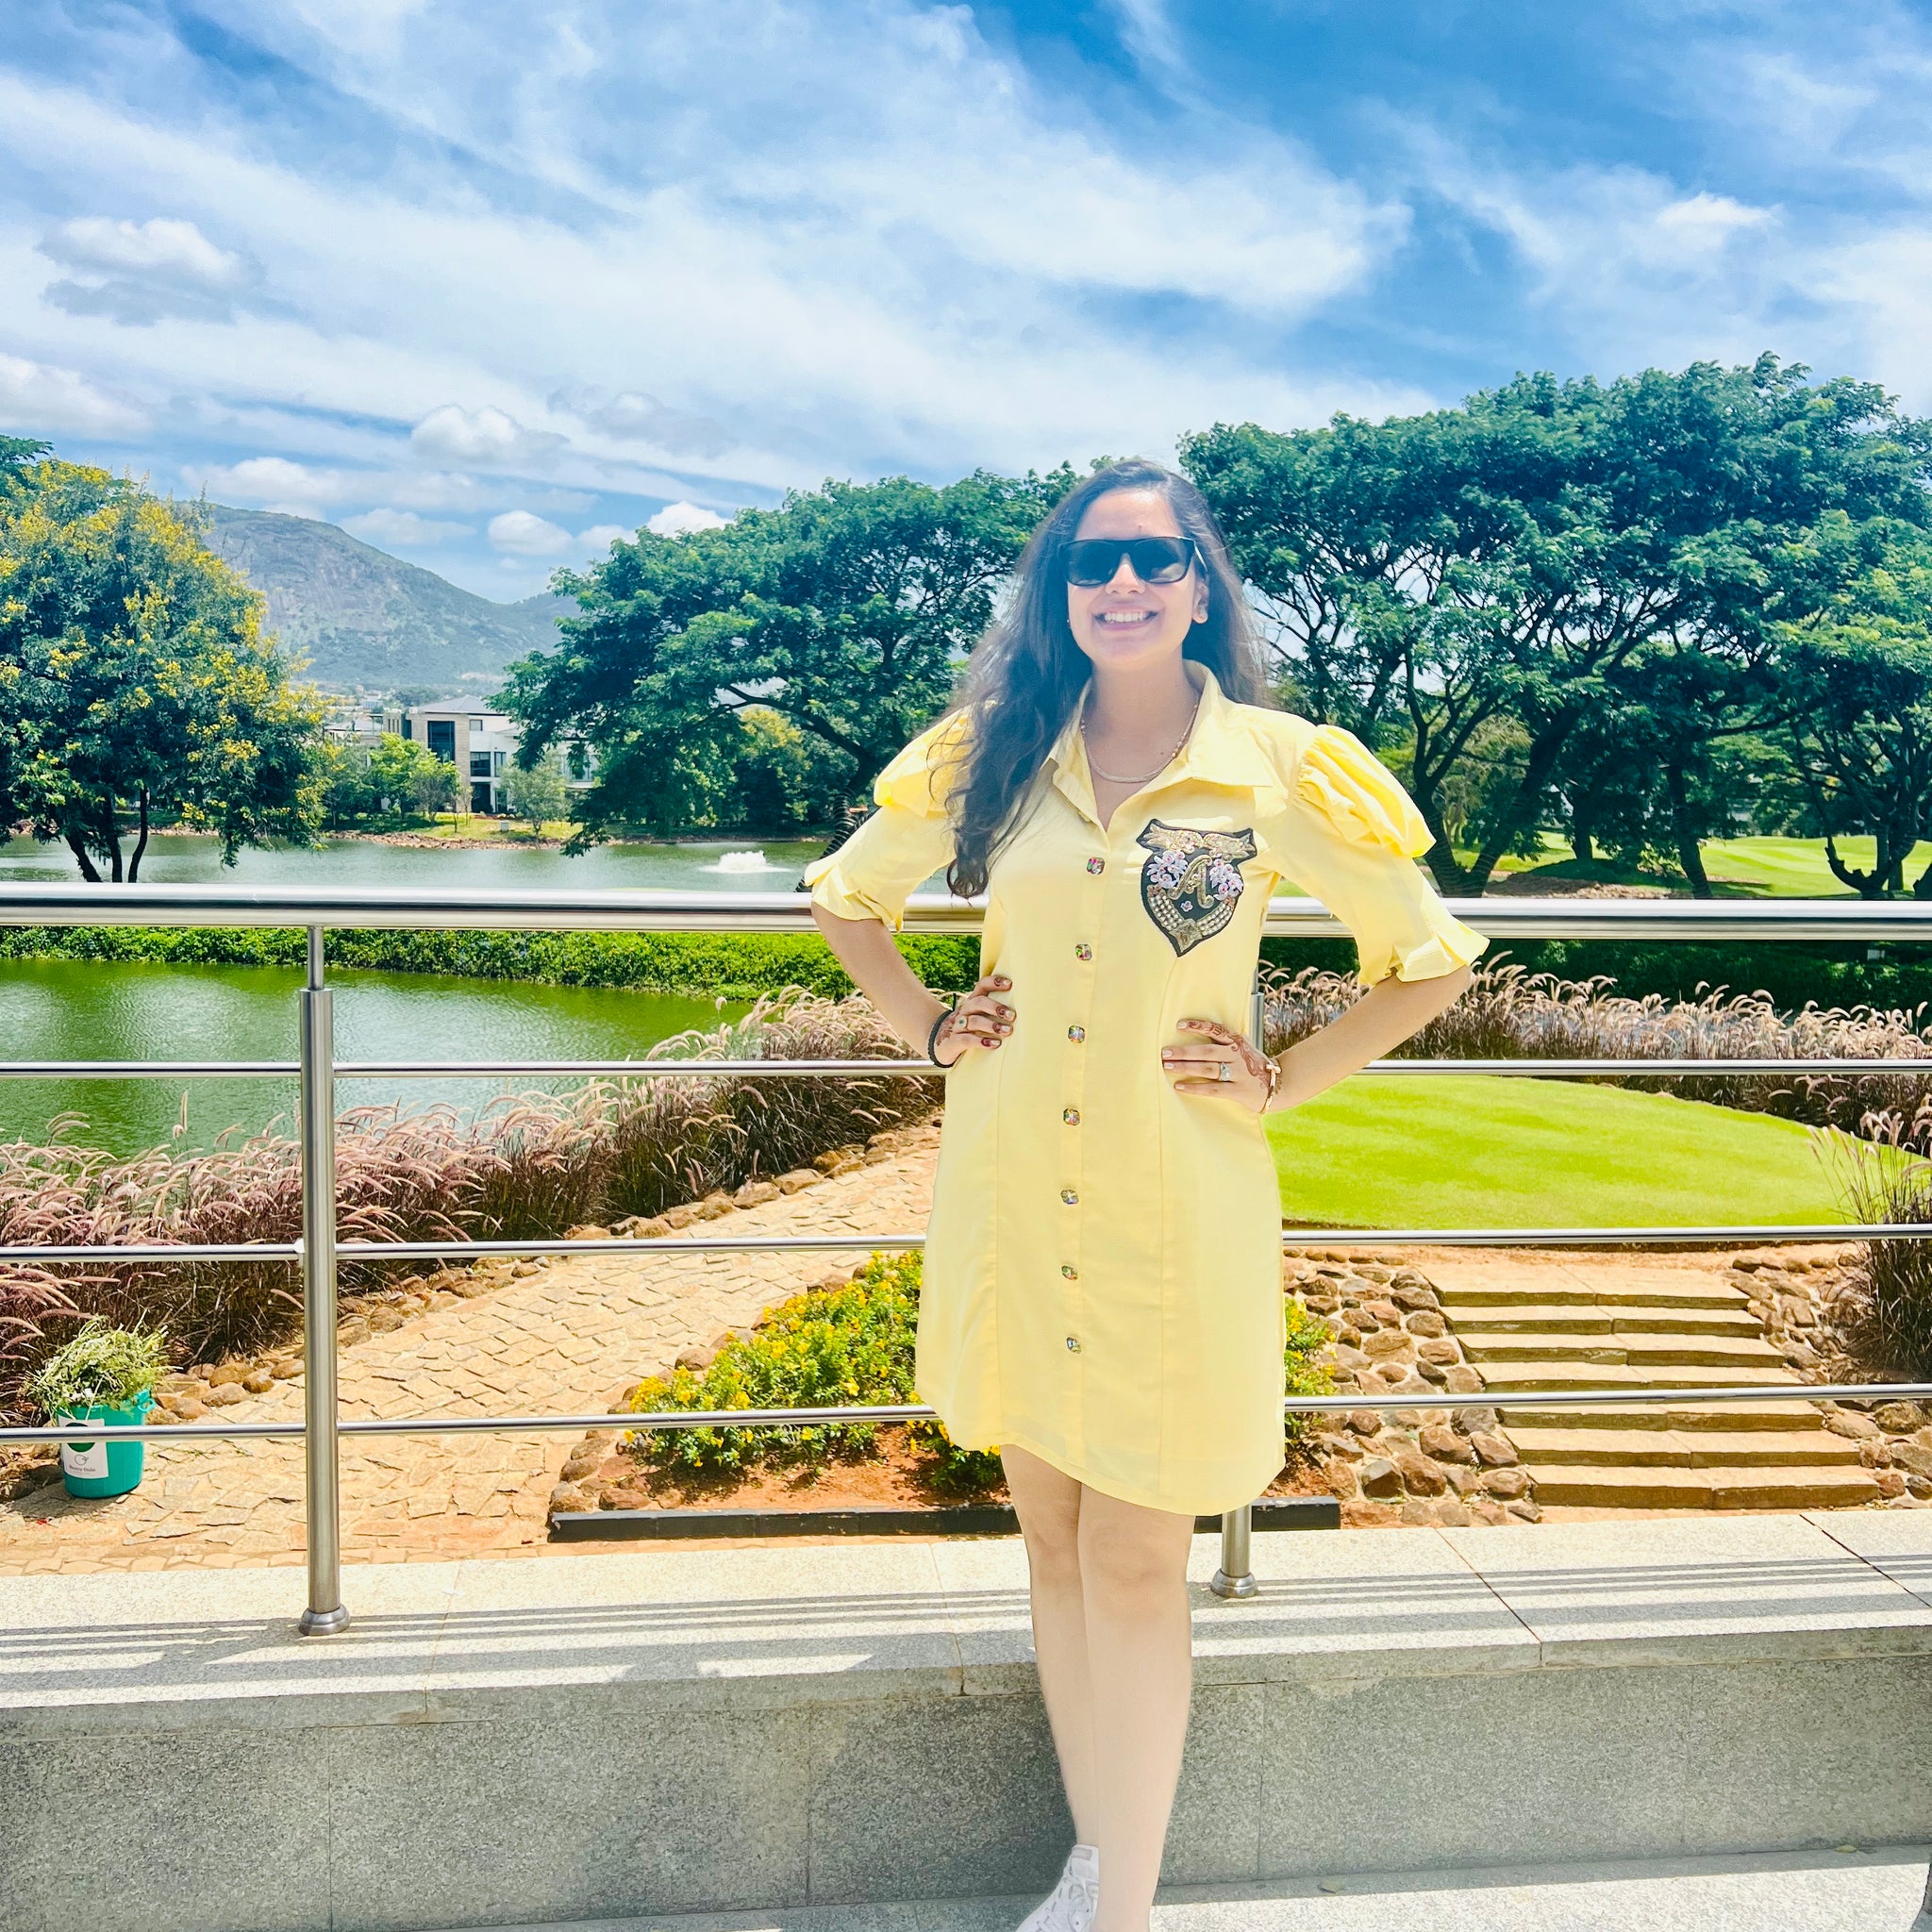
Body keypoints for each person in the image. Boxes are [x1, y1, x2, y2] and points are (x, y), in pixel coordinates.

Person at [808, 458, 1486, 1932]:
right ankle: (1099, 1859)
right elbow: (848, 899)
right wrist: (927, 1023)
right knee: (1047, 1536)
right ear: (1059, 592)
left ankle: (1125, 1912)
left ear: (1197, 584)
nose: (1123, 584)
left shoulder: (1281, 768)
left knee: (1133, 1554)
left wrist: (1286, 1075)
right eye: (1091, 561)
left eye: (1154, 559)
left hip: (1171, 1203)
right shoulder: (986, 757)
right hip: (1011, 1184)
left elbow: (1429, 956)